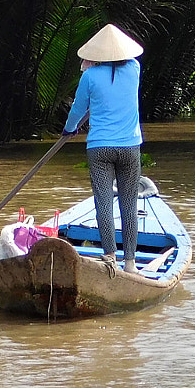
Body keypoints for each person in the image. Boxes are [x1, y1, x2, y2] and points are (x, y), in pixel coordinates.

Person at [62, 23, 144, 277]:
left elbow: (79, 109)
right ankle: (130, 263)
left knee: (104, 203)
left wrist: (69, 129)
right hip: (130, 147)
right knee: (129, 204)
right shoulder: (135, 69)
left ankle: (110, 258)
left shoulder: (89, 76)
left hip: (99, 149)